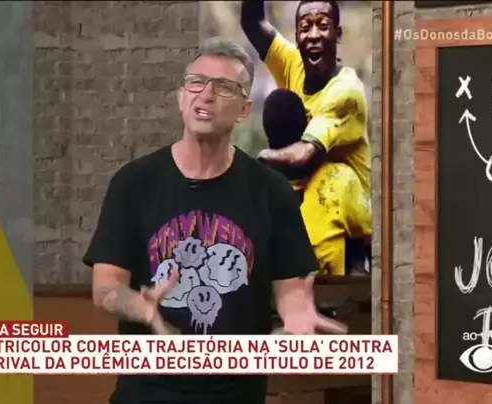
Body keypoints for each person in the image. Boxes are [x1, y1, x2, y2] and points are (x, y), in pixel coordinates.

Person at [83, 37, 347, 404]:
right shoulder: (134, 183)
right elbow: (106, 286)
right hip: (145, 394)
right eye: (196, 82)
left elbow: (290, 291)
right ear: (181, 98)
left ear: (244, 110)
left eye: (223, 87)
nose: (205, 95)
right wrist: (135, 304)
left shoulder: (272, 191)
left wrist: (298, 315)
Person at [240, 0, 372, 275]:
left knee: (330, 178)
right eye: (305, 27)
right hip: (301, 186)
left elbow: (304, 156)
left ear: (338, 34)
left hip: (345, 203)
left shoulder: (346, 92)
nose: (313, 35)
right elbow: (253, 23)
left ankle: (342, 267)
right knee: (280, 104)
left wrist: (255, 162)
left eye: (323, 26)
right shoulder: (294, 64)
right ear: (297, 37)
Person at [262, 89, 371, 276]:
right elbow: (373, 233)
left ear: (268, 137)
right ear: (308, 127)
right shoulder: (340, 179)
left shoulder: (255, 191)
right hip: (332, 291)